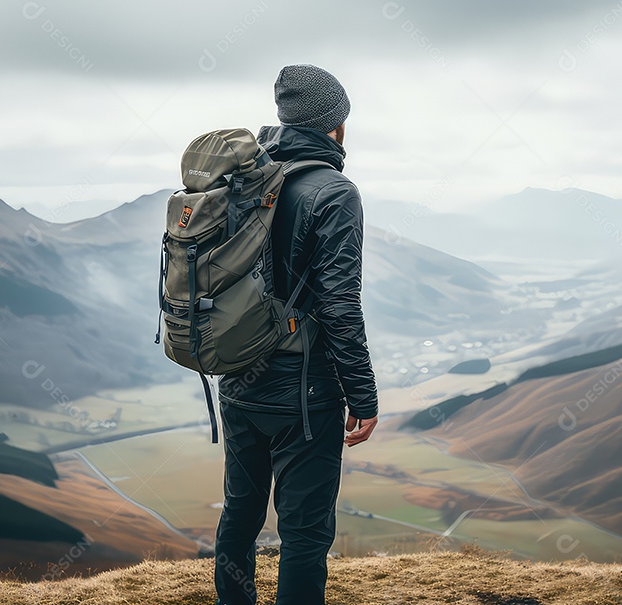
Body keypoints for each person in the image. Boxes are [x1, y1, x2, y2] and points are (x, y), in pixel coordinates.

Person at [213, 64, 379, 605]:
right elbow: (338, 303)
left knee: (239, 513)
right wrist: (363, 394)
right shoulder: (334, 192)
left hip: (237, 375)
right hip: (304, 394)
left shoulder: (241, 182)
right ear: (336, 126)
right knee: (304, 532)